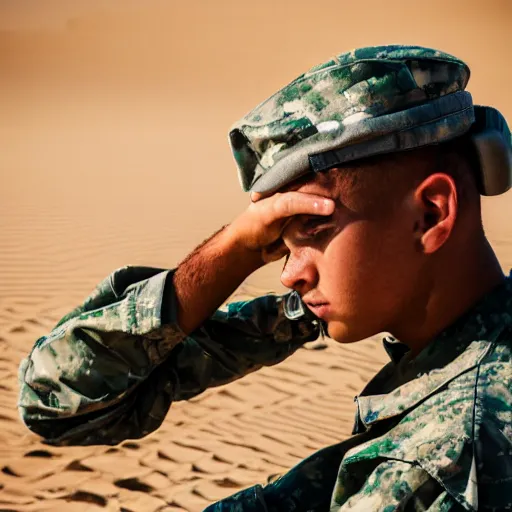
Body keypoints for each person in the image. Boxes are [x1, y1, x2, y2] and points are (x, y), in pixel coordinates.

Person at [18, 45, 512, 511]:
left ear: (430, 213)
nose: (288, 275)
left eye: (313, 229)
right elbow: (56, 403)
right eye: (278, 243)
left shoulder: (440, 463)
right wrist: (234, 251)